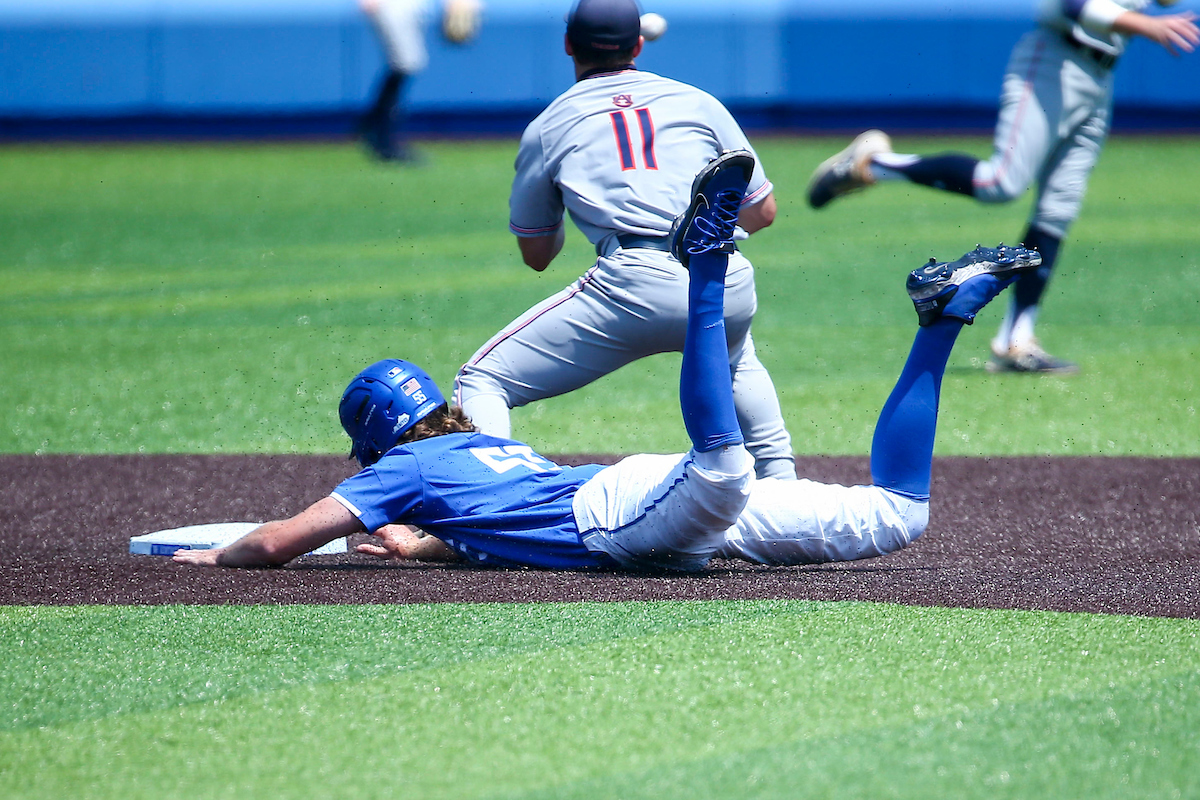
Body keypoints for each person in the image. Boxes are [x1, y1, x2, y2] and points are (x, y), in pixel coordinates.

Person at [173, 152, 1042, 572]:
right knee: (897, 514)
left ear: (377, 443)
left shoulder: (404, 468)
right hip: (642, 509)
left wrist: (219, 557)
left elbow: (284, 541)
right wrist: (433, 547)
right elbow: (490, 521)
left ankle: (704, 268)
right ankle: (939, 324)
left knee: (723, 468)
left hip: (621, 514)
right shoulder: (465, 452)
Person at [452, 0, 796, 482]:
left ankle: (495, 506)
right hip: (726, 278)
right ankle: (783, 489)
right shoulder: (698, 101)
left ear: (568, 44)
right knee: (735, 357)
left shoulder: (548, 126)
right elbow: (762, 211)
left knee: (482, 381)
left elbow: (537, 254)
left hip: (632, 283)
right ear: (638, 45)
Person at [806, 0, 1198, 374]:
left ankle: (1016, 339)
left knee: (1058, 211)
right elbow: (1071, 6)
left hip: (1100, 75)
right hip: (1055, 60)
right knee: (1000, 182)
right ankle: (876, 162)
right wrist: (1146, 25)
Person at [357, 0, 482, 162]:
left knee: (408, 64)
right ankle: (381, 137)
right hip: (391, 5)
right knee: (405, 63)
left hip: (415, 6)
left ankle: (372, 128)